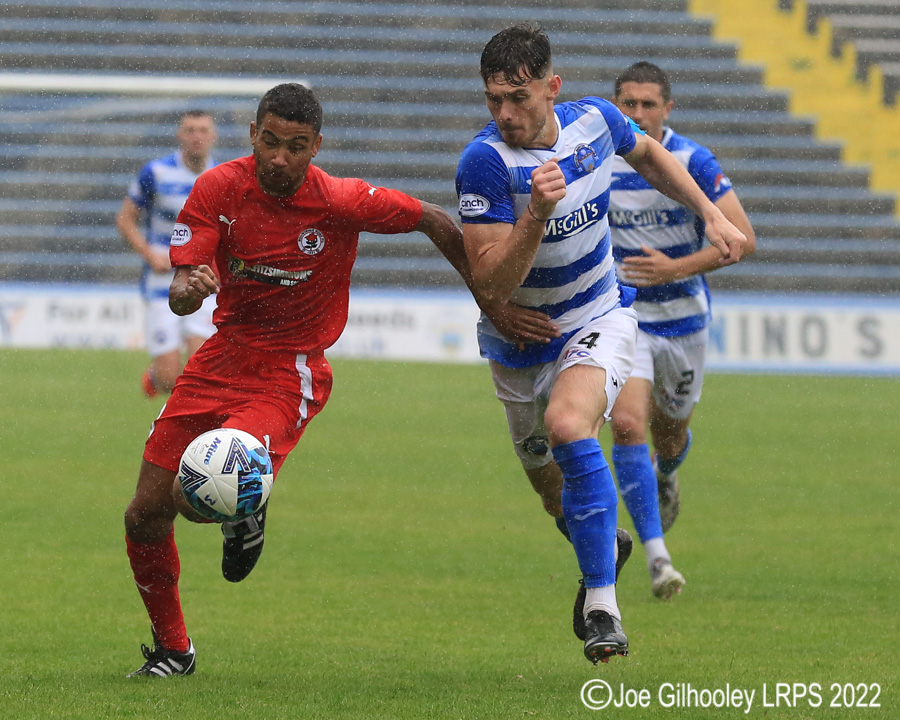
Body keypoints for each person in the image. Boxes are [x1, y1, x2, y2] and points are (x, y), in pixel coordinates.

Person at [123, 83, 481, 678]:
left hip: (288, 372)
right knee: (143, 515)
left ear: (316, 146)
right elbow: (183, 287)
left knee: (198, 493)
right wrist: (188, 290)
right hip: (218, 359)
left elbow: (434, 218)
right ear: (253, 135)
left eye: (294, 146)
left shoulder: (340, 200)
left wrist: (491, 300)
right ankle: (173, 651)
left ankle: (245, 505)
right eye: (269, 142)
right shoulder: (218, 188)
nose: (278, 157)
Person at [455, 24, 747, 664]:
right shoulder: (484, 163)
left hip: (597, 314)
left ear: (552, 89)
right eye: (494, 100)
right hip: (519, 342)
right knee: (551, 492)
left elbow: (649, 155)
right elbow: (492, 281)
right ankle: (605, 546)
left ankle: (602, 606)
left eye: (519, 98)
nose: (506, 114)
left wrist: (710, 213)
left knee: (570, 425)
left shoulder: (595, 122)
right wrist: (536, 214)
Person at [607, 61, 756, 598]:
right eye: (628, 103)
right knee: (627, 424)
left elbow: (743, 239)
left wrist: (674, 269)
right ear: (615, 106)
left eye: (648, 104)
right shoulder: (597, 160)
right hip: (624, 318)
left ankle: (666, 472)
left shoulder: (692, 161)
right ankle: (657, 558)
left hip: (684, 322)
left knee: (669, 436)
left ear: (667, 109)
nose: (637, 113)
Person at [116, 109, 219, 398]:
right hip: (162, 280)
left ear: (213, 136)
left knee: (202, 372)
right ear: (179, 135)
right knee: (169, 379)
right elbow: (125, 219)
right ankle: (157, 374)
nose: (197, 137)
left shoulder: (223, 176)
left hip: (203, 279)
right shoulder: (156, 172)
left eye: (203, 130)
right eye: (190, 130)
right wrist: (149, 254)